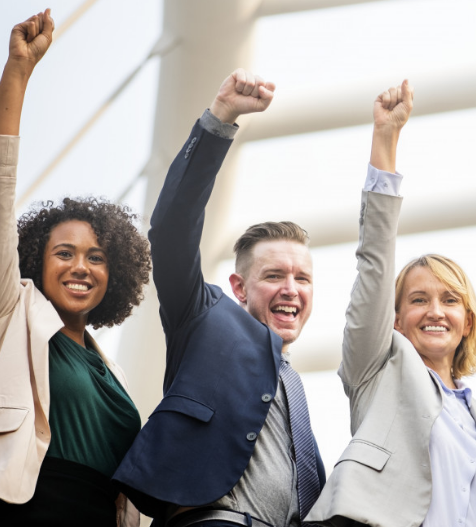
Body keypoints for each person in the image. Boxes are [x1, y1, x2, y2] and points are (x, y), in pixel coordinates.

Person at [112, 70, 325, 527]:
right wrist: (221, 119)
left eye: (302, 278)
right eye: (274, 275)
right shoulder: (204, 316)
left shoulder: (292, 384)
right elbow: (171, 230)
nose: (291, 288)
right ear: (239, 288)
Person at [304, 80, 476, 527]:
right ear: (395, 320)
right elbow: (375, 263)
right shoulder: (379, 368)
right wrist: (386, 139)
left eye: (449, 300)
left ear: (467, 321)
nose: (436, 310)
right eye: (419, 299)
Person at [0, 10, 152, 526]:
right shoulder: (13, 312)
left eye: (96, 257)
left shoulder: (116, 374)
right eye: (63, 253)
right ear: (36, 262)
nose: (80, 267)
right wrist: (17, 74)